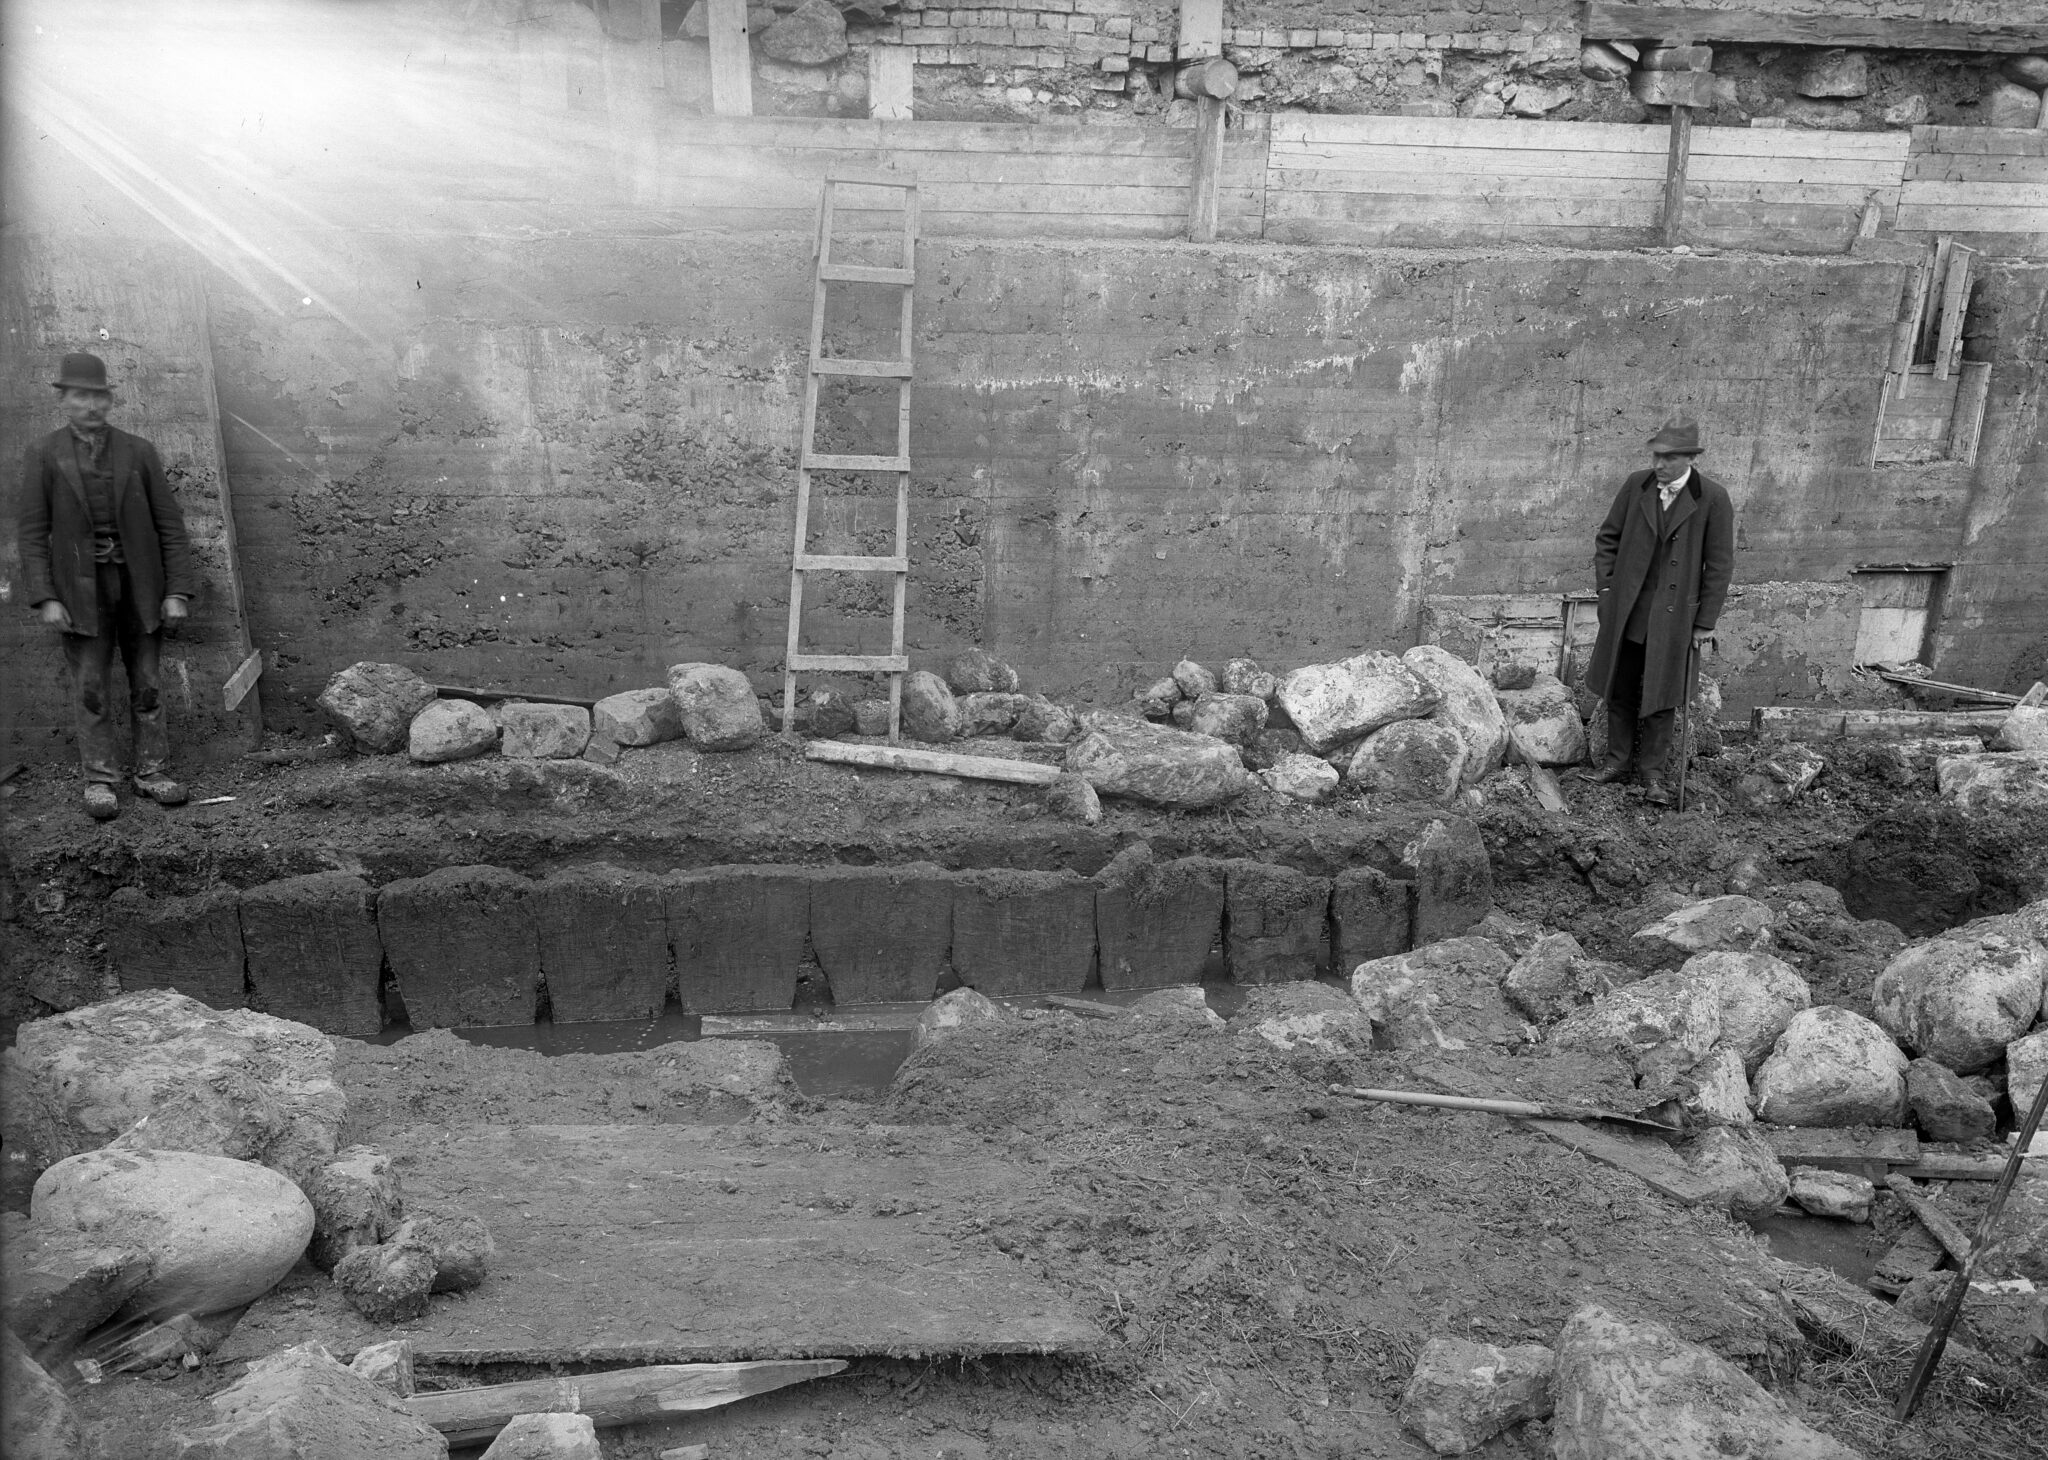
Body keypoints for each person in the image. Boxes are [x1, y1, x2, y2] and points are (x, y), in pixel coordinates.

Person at [18, 352, 196, 821]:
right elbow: (32, 534)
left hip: (141, 587)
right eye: (81, 396)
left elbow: (171, 526)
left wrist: (176, 590)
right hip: (80, 592)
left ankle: (152, 772)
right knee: (91, 686)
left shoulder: (139, 451)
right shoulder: (44, 453)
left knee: (148, 683)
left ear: (111, 400)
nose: (91, 405)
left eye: (99, 396)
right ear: (64, 400)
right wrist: (46, 596)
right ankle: (100, 780)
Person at [1580, 418, 1735, 807]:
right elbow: (1607, 539)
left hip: (1674, 618)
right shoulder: (1637, 485)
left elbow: (1719, 565)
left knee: (1662, 696)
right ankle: (1616, 764)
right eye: (1656, 456)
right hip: (1628, 610)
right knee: (1619, 687)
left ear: (1689, 459)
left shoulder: (1712, 498)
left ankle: (1653, 775)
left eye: (1668, 458)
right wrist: (1607, 591)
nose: (1659, 464)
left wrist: (1704, 622)